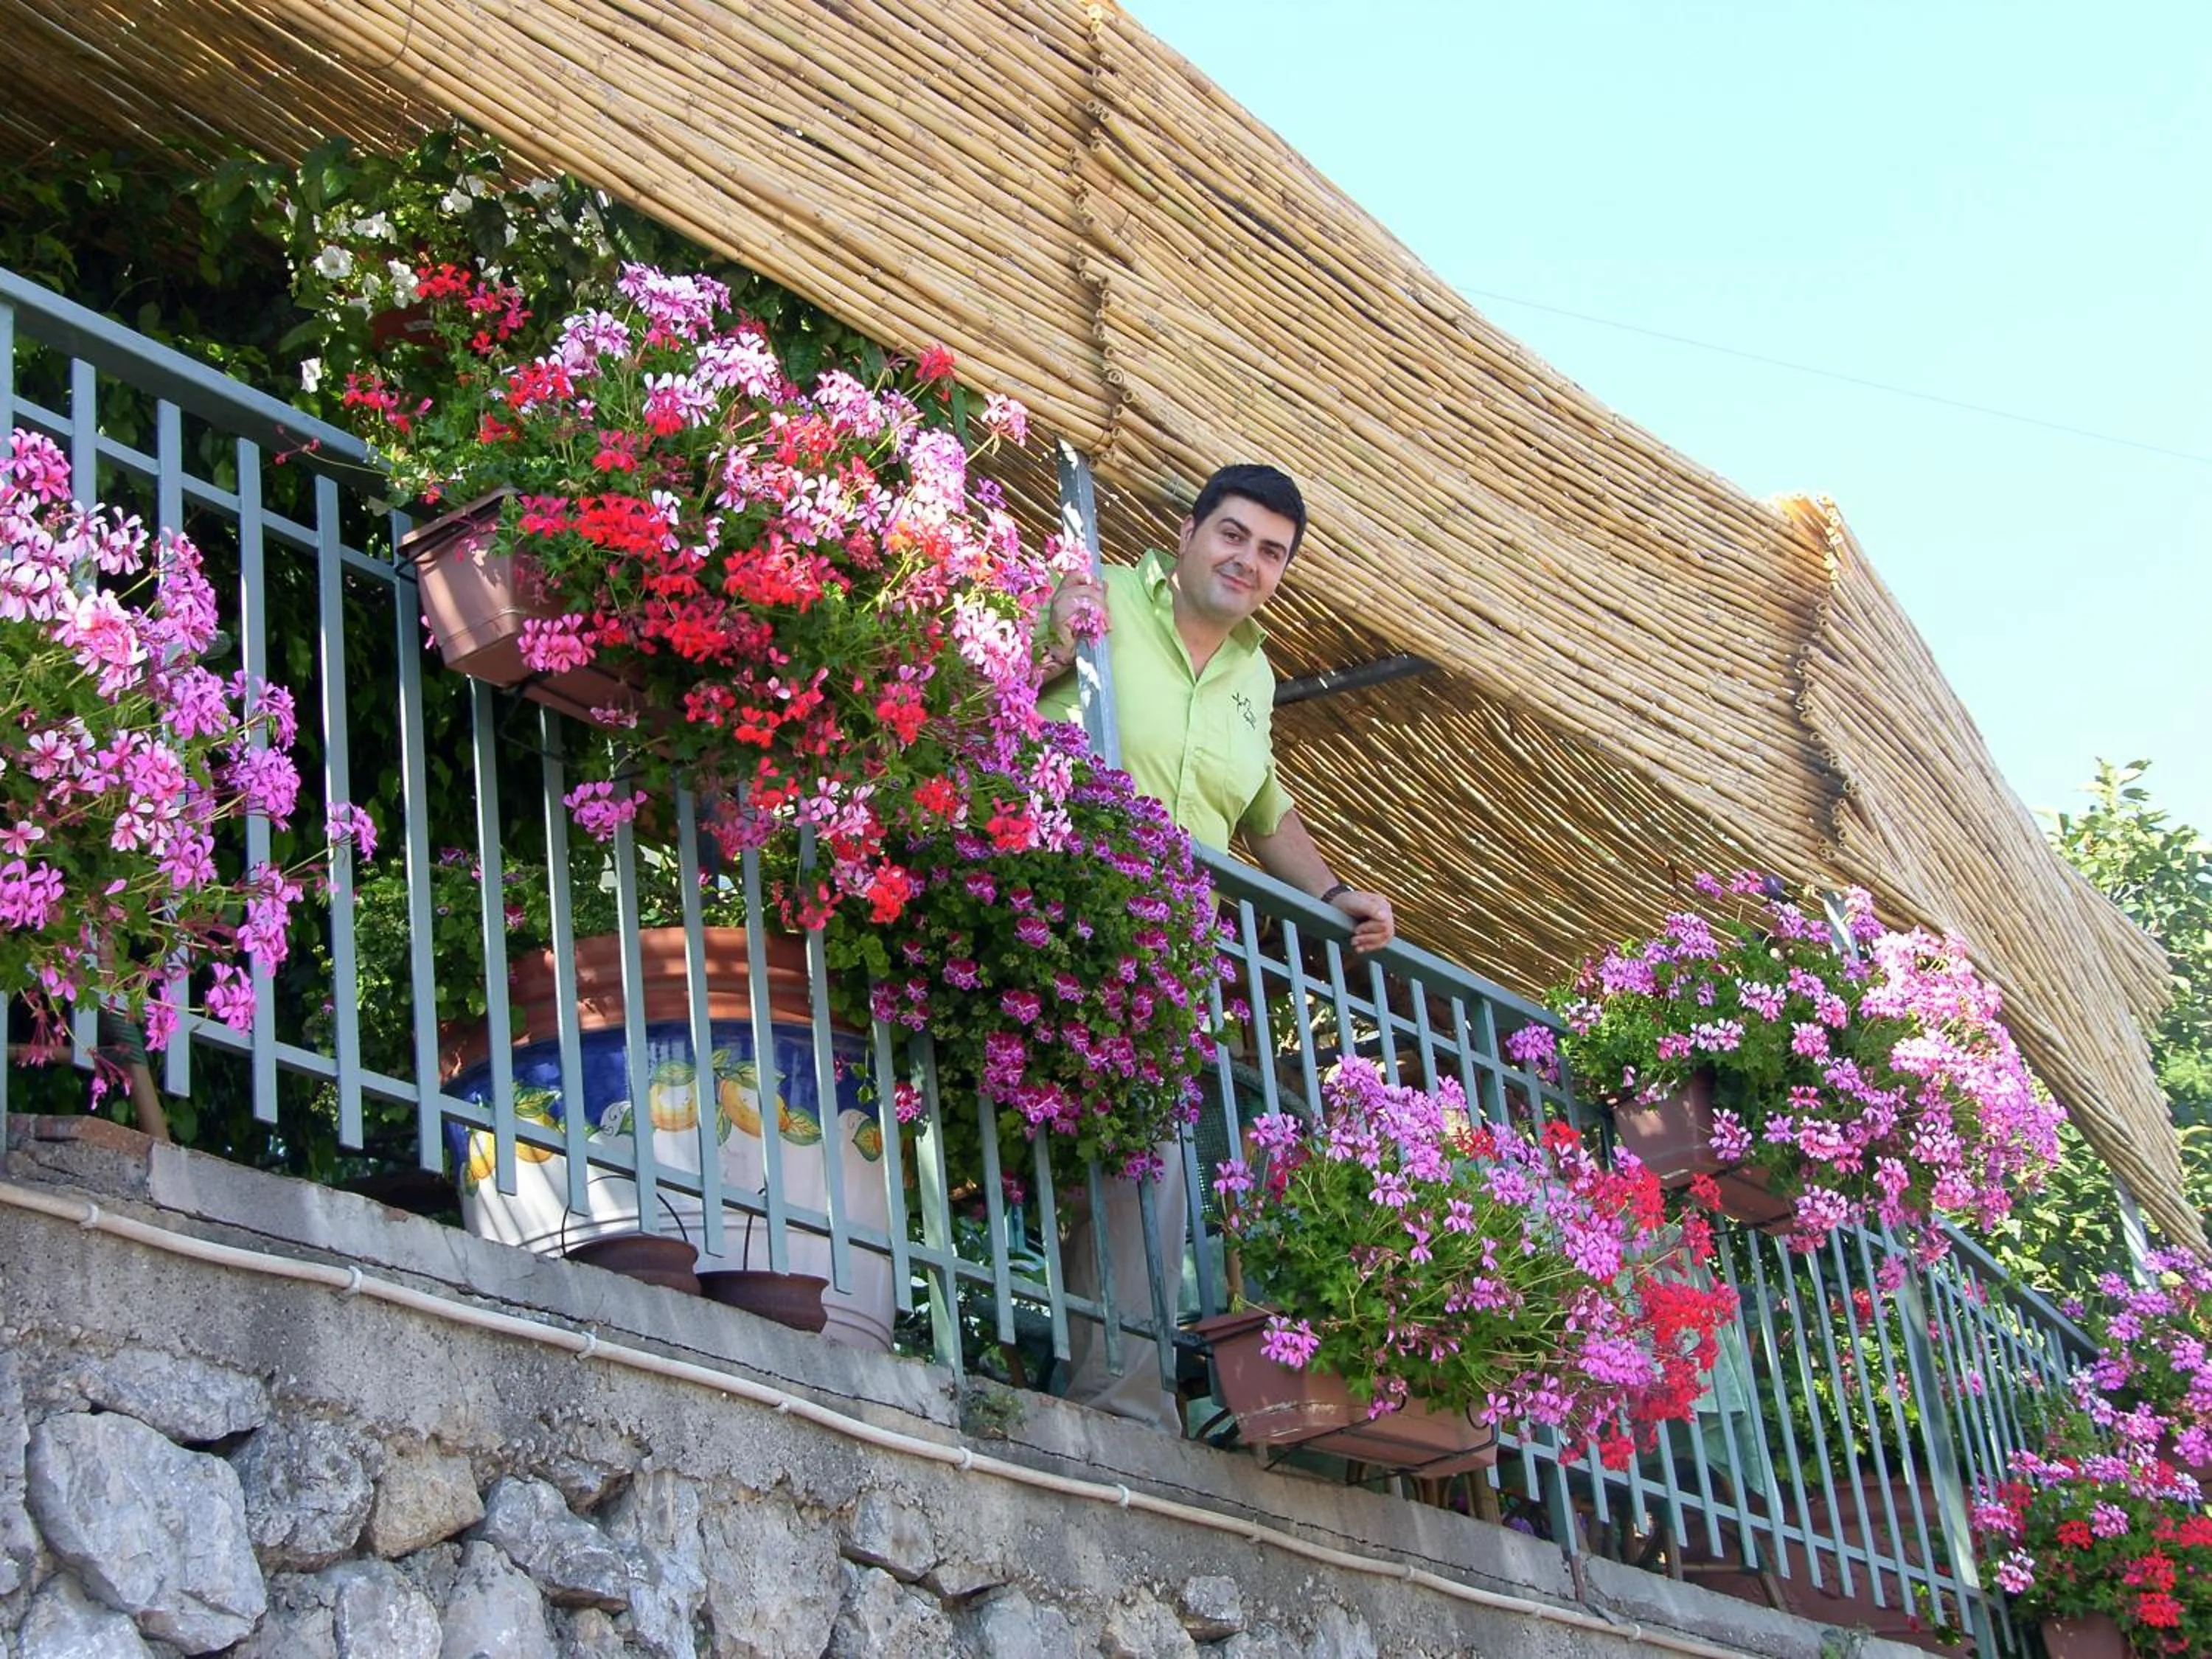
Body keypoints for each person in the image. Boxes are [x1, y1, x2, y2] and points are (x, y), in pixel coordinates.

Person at [1036, 461, 1394, 1430]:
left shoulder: (1255, 675)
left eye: (1272, 552)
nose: (1248, 560)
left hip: (1161, 959)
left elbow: (1264, 806)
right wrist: (1047, 633)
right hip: (1045, 911)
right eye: (1234, 534)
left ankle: (1120, 1401)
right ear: (1189, 534)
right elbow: (996, 681)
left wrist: (1332, 893)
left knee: (1146, 1162)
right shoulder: (1102, 592)